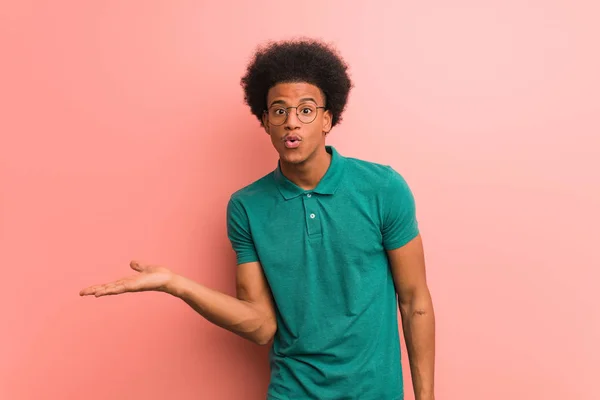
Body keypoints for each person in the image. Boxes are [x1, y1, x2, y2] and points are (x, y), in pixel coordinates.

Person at [80, 38, 436, 400]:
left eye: (306, 110)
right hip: (292, 391)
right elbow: (261, 325)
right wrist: (176, 284)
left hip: (374, 392)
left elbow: (414, 301)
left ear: (328, 118)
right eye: (279, 111)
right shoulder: (247, 206)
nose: (291, 122)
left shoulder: (382, 188)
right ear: (265, 121)